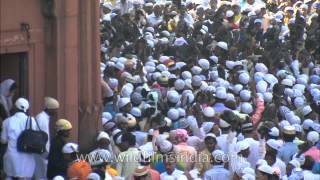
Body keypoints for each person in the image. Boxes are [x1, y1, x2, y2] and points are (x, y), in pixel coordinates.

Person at [1, 98, 36, 179]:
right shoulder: (32, 121)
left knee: (9, 176)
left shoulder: (7, 121)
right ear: (27, 108)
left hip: (12, 157)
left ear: (15, 107)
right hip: (27, 157)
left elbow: (3, 140)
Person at [34, 97, 59, 180]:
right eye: (55, 109)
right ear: (50, 109)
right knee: (41, 174)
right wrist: (45, 152)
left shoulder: (44, 118)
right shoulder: (41, 118)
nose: (56, 111)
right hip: (41, 152)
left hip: (43, 152)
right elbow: (40, 137)